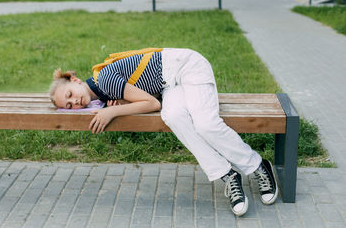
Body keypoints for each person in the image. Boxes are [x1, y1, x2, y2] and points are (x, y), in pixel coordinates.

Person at [49, 48, 278, 216]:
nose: (75, 102)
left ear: (75, 80)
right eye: (68, 106)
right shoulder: (104, 91)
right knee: (173, 116)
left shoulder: (105, 80)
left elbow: (151, 104)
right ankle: (227, 174)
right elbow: (146, 95)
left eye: (70, 94)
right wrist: (116, 103)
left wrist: (111, 113)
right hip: (170, 85)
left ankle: (257, 165)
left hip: (187, 66)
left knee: (205, 123)